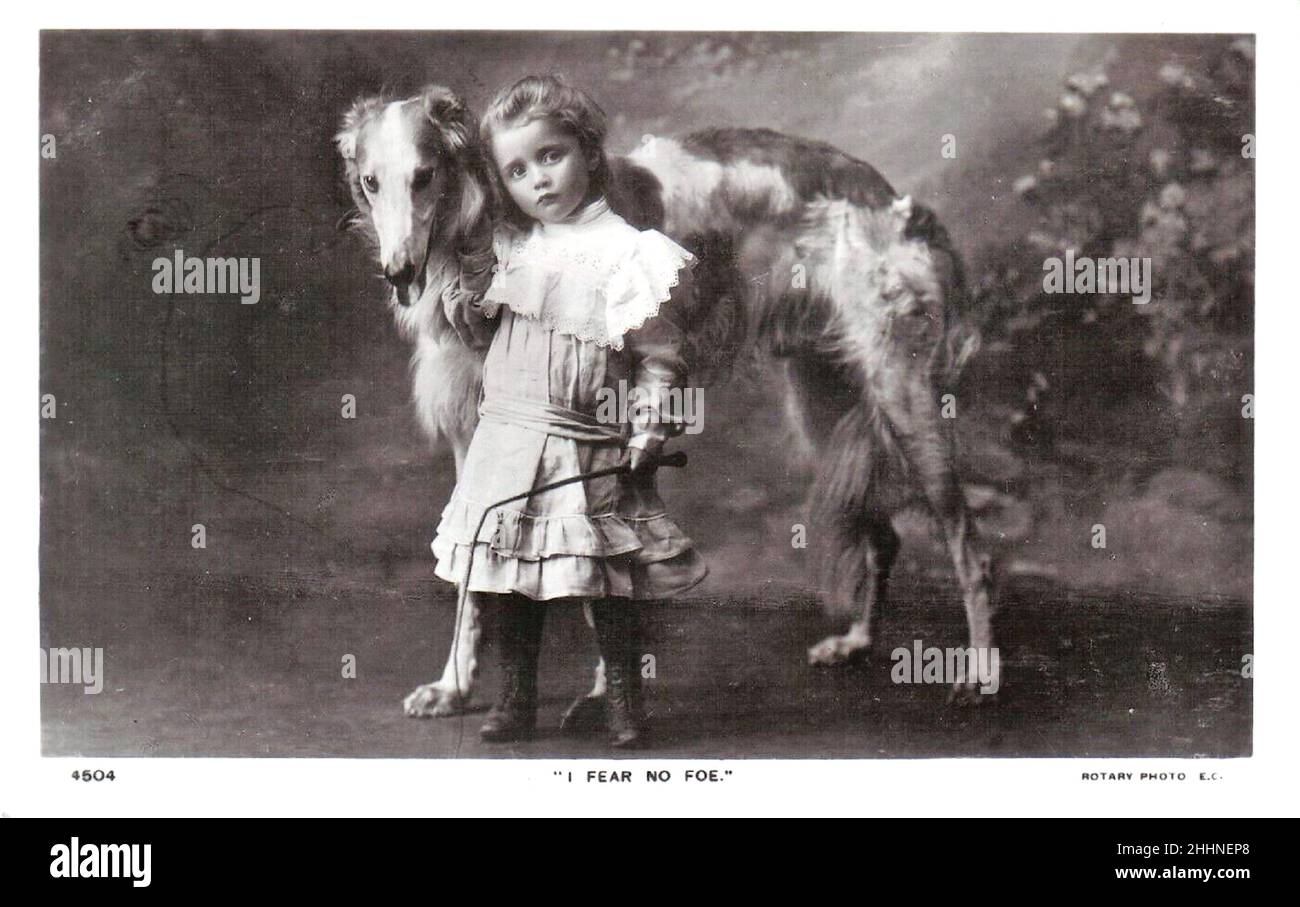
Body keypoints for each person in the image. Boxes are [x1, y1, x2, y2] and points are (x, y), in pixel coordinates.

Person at [430, 75, 707, 748]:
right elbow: (482, 338)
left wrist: (647, 424)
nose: (539, 181)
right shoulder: (512, 253)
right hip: (508, 439)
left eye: (551, 156)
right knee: (507, 576)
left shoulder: (627, 253)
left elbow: (661, 356)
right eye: (517, 170)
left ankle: (622, 701)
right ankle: (514, 697)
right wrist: (467, 296)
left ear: (587, 151)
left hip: (585, 442)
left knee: (606, 581)